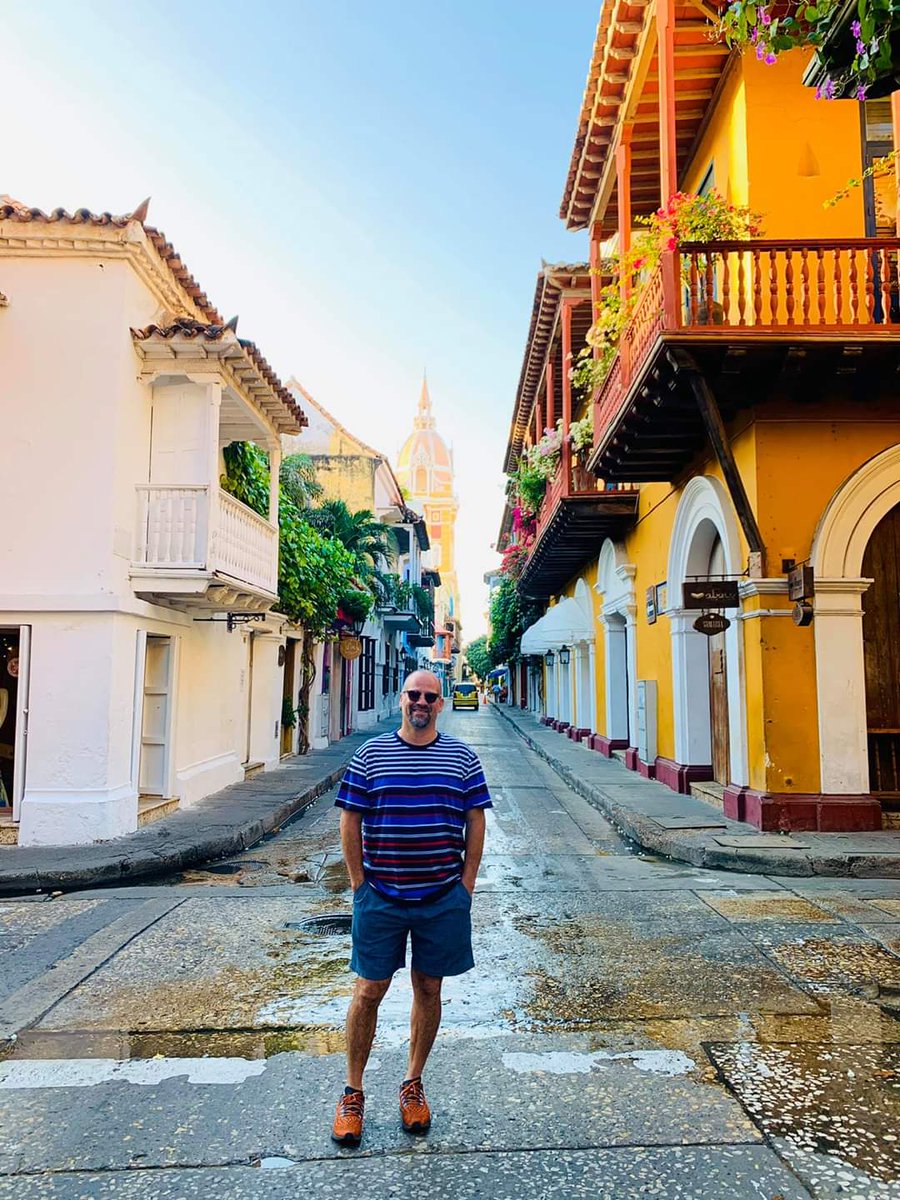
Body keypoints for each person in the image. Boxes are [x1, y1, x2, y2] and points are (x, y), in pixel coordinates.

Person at [331, 669, 491, 1146]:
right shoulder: (370, 755)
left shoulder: (462, 758)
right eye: (414, 695)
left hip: (442, 898)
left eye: (429, 697)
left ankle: (413, 1083)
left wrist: (466, 886)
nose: (421, 702)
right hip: (381, 896)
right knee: (369, 990)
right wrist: (359, 885)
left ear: (440, 704)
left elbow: (475, 820)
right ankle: (353, 1093)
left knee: (428, 987)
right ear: (403, 700)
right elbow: (350, 820)